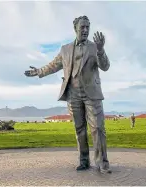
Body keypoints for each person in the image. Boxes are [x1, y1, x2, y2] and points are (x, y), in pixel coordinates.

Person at [24, 15, 111, 174]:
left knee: (98, 128)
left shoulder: (94, 47)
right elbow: (54, 65)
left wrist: (101, 50)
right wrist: (39, 72)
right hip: (73, 94)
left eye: (87, 27)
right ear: (75, 28)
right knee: (80, 129)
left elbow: (105, 66)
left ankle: (102, 163)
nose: (85, 30)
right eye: (82, 27)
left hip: (92, 94)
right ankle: (83, 161)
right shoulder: (65, 49)